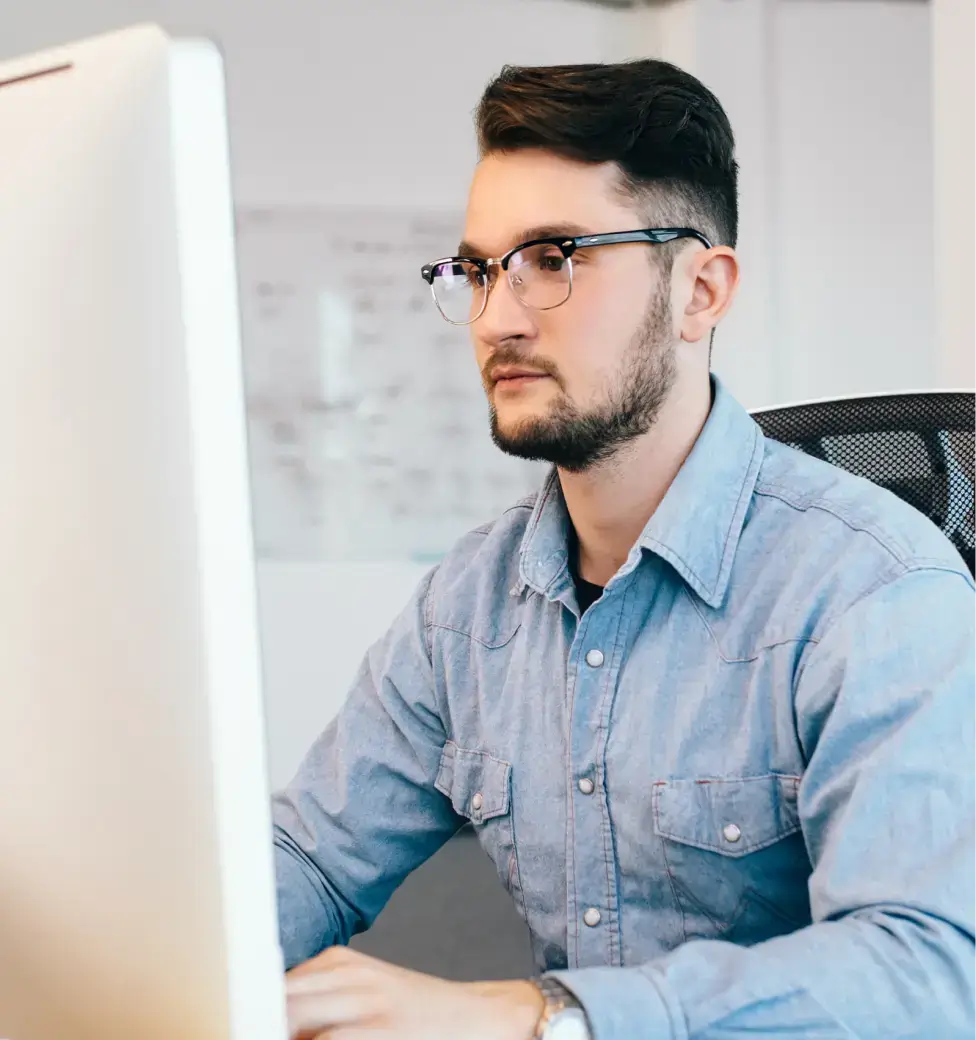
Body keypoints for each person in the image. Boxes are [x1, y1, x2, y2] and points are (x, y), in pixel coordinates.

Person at [274, 59, 976, 1040]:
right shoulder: (468, 605)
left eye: (554, 258)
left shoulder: (874, 587)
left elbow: (924, 973)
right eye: (478, 269)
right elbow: (307, 858)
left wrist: (541, 1016)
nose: (500, 316)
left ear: (700, 291)